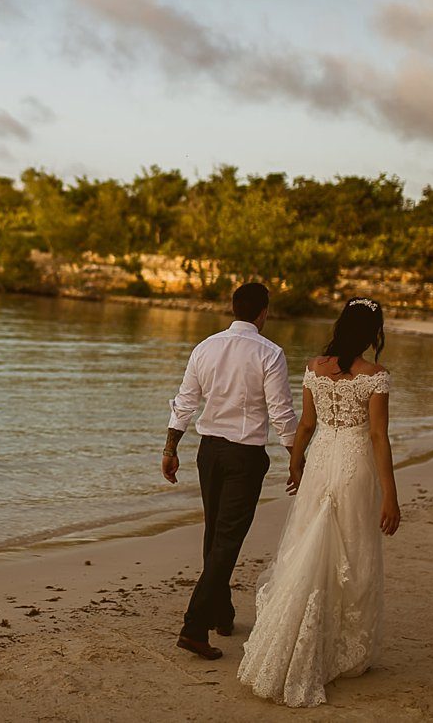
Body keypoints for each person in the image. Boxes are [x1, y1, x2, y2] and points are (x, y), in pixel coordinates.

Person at [237, 296, 401, 707]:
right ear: (372, 334)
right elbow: (378, 437)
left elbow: (306, 424)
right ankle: (342, 647)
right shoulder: (375, 376)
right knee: (351, 548)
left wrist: (295, 465)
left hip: (321, 461)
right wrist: (391, 496)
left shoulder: (313, 368)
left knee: (310, 543)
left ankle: (297, 634)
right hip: (353, 464)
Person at [162, 282, 298, 660]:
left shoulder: (205, 347)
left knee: (215, 534)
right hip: (244, 457)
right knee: (226, 541)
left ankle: (222, 614)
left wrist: (170, 449)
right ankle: (193, 627)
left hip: (209, 453)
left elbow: (185, 402)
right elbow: (282, 412)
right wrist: (296, 457)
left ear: (232, 307)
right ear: (263, 311)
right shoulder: (270, 353)